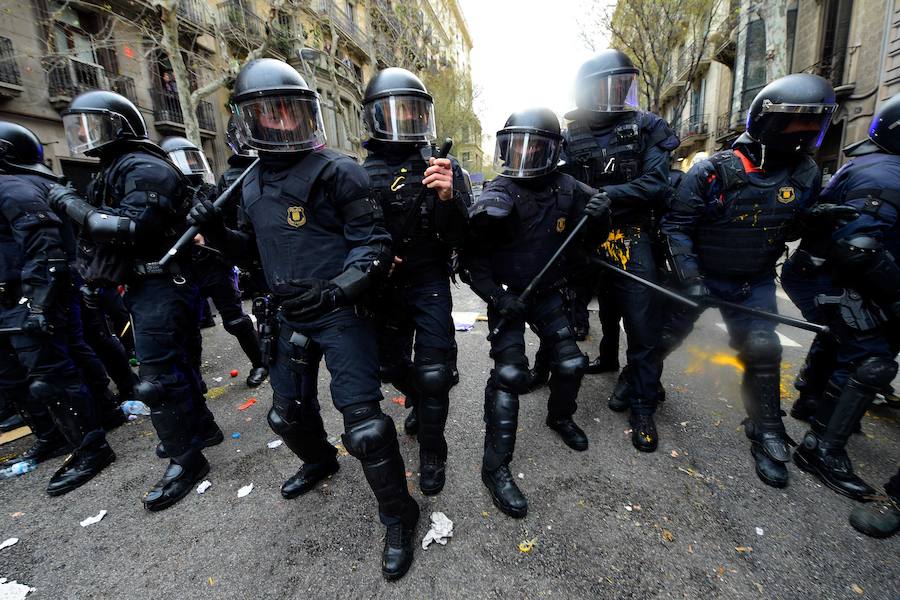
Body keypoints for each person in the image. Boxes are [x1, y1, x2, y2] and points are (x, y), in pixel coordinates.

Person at [186, 58, 419, 580]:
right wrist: (217, 235)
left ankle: (399, 514)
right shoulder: (246, 181)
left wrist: (336, 291)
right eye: (270, 112)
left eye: (291, 110)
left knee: (365, 427)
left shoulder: (340, 171)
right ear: (249, 120)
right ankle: (318, 461)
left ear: (305, 113)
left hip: (340, 313)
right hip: (287, 314)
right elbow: (254, 255)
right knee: (285, 417)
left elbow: (374, 249)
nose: (283, 121)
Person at [659, 73, 836, 487]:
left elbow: (789, 231)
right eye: (797, 123)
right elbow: (677, 226)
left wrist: (815, 223)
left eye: (814, 124)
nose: (805, 133)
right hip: (703, 275)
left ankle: (767, 428)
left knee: (763, 346)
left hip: (752, 279)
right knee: (664, 336)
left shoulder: (806, 173)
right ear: (770, 122)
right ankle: (639, 387)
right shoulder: (711, 171)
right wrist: (689, 277)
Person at [50, 90, 223, 510]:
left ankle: (186, 459)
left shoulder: (142, 166)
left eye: (93, 124)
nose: (84, 135)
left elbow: (131, 229)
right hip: (149, 284)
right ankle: (201, 428)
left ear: (117, 124)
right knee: (175, 364)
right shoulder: (117, 166)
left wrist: (69, 202)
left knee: (157, 377)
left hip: (164, 283)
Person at [464, 107, 610, 518]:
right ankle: (495, 468)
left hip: (549, 292)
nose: (524, 156)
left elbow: (591, 237)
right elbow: (473, 261)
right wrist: (496, 297)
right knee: (509, 375)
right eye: (516, 146)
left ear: (554, 151)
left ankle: (560, 417)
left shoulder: (569, 189)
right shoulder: (497, 194)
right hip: (509, 296)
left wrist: (602, 215)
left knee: (571, 362)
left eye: (535, 147)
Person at [781, 93, 900, 500]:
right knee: (871, 360)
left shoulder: (880, 166)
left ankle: (811, 400)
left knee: (846, 337)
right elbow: (858, 247)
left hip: (834, 276)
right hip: (829, 278)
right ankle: (820, 450)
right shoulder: (885, 176)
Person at [560, 50, 679, 452]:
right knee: (603, 309)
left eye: (621, 85)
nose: (614, 94)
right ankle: (608, 360)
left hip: (632, 234)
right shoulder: (570, 133)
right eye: (605, 86)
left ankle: (643, 406)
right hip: (588, 237)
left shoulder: (648, 126)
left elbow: (657, 183)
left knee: (643, 327)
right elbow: (560, 185)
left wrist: (608, 195)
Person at [361, 67, 470, 495]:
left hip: (428, 281)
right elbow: (351, 236)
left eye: (412, 111)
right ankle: (422, 404)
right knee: (390, 366)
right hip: (385, 288)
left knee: (434, 372)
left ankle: (432, 449)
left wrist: (448, 196)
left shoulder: (442, 165)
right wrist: (374, 261)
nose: (405, 120)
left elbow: (461, 235)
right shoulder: (357, 173)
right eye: (395, 112)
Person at [0, 120, 115, 493]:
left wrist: (37, 304)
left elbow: (46, 251)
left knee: (53, 376)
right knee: (22, 377)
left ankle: (91, 447)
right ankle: (55, 436)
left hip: (29, 296)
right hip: (18, 297)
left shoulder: (15, 189)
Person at [160, 136, 268, 389]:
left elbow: (231, 225)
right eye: (180, 159)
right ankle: (194, 378)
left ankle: (260, 363)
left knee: (235, 320)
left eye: (190, 157)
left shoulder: (213, 191)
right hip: (183, 269)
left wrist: (209, 236)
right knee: (187, 326)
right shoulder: (163, 196)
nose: (188, 165)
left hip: (214, 263)